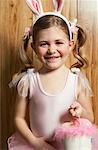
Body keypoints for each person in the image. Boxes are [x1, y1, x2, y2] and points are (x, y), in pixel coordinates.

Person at [8, 0, 95, 150]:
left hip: (70, 146)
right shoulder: (29, 80)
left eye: (58, 42)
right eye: (44, 44)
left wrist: (80, 112)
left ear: (70, 44)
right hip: (36, 146)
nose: (51, 50)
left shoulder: (76, 80)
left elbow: (90, 118)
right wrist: (36, 143)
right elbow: (18, 118)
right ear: (34, 47)